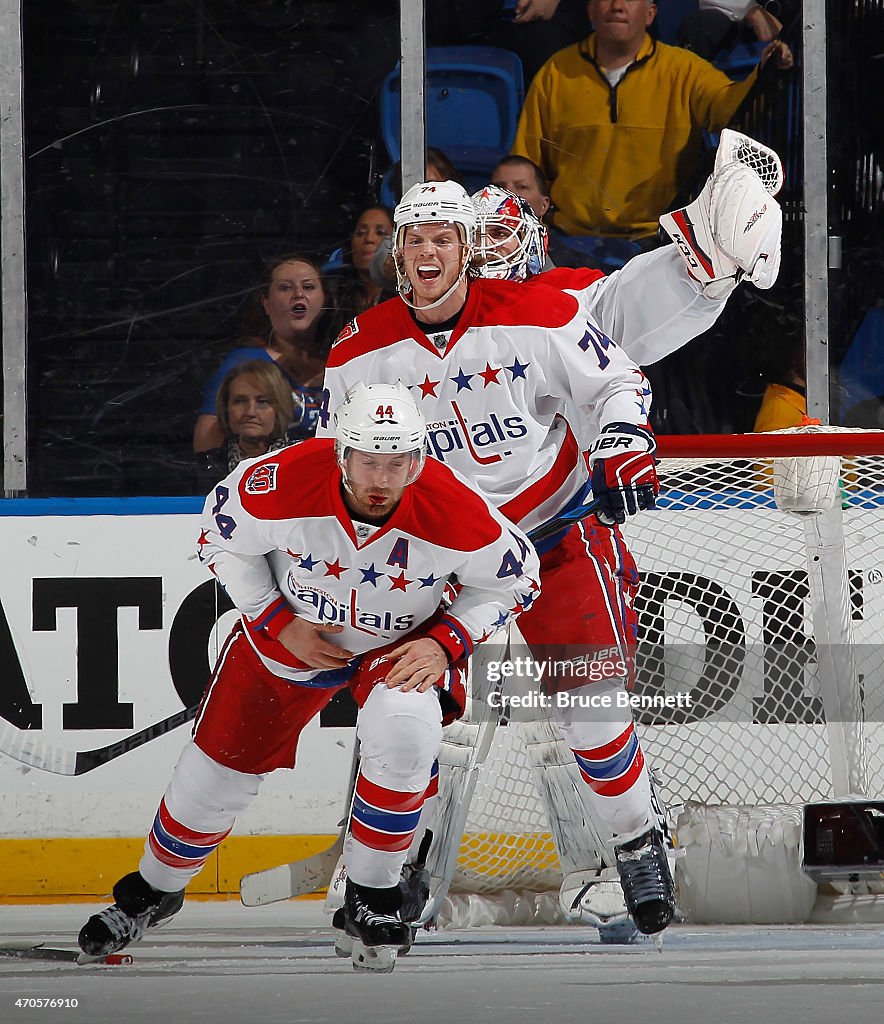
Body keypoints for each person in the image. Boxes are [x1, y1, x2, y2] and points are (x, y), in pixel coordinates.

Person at [77, 382, 540, 971]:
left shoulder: (455, 510)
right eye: (368, 460)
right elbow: (220, 534)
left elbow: (517, 579)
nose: (380, 478)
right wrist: (274, 618)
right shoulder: (283, 479)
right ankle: (155, 889)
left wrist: (444, 641)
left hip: (395, 648)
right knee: (213, 777)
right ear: (341, 453)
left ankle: (372, 897)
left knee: (405, 734)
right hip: (288, 638)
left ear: (418, 461)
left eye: (396, 463)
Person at [318, 179, 676, 938]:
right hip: (434, 562)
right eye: (415, 241)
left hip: (551, 536)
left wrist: (619, 439)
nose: (429, 254)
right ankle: (389, 870)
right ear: (397, 254)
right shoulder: (358, 350)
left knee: (593, 717)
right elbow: (333, 467)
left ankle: (638, 844)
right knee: (407, 720)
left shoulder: (541, 314)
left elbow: (617, 379)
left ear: (466, 252)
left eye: (444, 239)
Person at [511, 0, 793, 241]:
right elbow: (527, 163)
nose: (618, 6)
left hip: (659, 241)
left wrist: (762, 73)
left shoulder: (684, 69)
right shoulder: (555, 72)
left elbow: (729, 113)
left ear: (650, 14)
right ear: (590, 10)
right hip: (573, 242)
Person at [193, 255, 340, 453]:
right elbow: (205, 444)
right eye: (285, 287)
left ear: (325, 299)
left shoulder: (342, 360)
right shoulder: (244, 362)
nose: (298, 294)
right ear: (266, 303)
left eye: (308, 287)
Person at [194, 360, 295, 487]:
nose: (250, 412)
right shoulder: (204, 468)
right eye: (240, 401)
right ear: (226, 408)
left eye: (263, 401)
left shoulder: (304, 462)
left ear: (280, 408)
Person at [326, 205, 395, 322]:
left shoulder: (408, 298)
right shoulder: (333, 298)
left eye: (380, 232)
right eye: (361, 233)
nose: (369, 238)